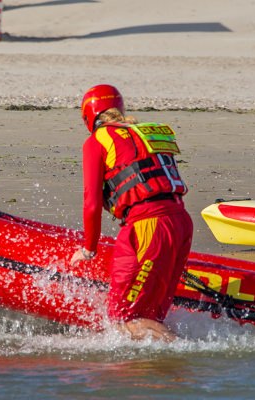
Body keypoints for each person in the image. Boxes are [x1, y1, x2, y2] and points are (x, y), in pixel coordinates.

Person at [70, 84, 193, 342]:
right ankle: (161, 376)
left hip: (148, 227)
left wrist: (88, 249)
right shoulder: (146, 132)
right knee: (151, 314)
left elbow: (91, 203)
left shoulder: (97, 141)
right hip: (180, 222)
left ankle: (188, 355)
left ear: (88, 117)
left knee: (124, 317)